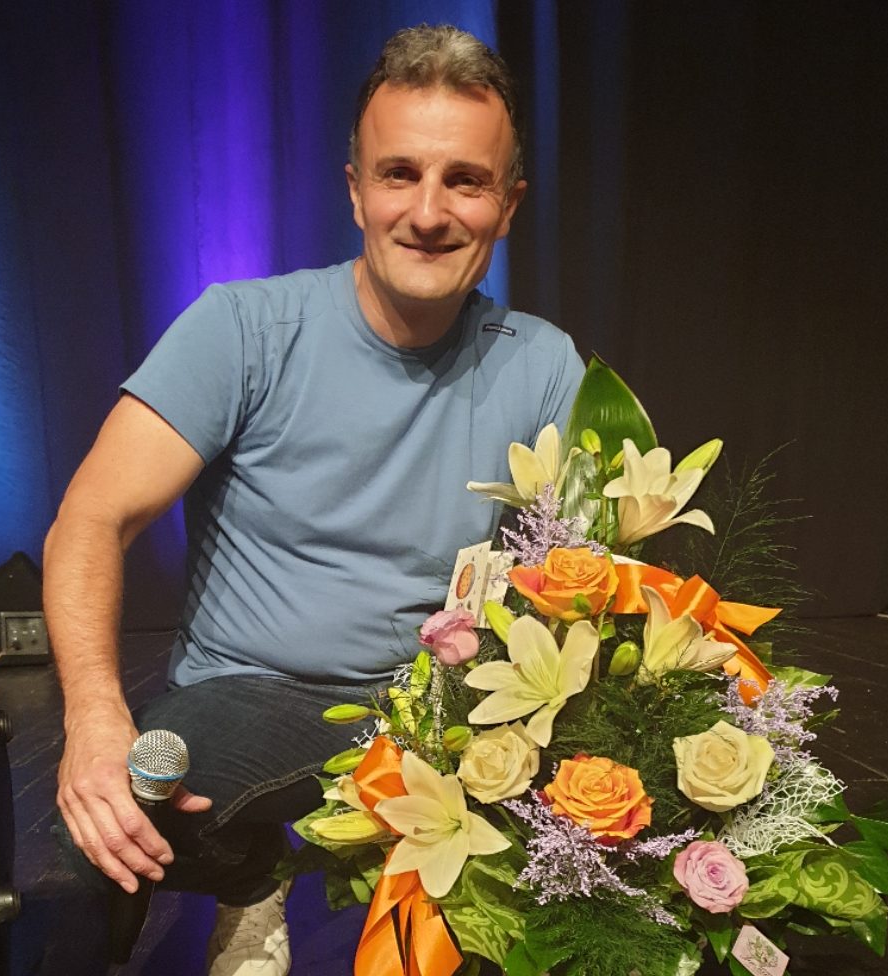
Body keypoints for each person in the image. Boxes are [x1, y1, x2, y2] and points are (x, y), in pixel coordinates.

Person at [44, 24, 585, 975]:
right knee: (103, 828)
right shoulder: (245, 328)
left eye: (465, 181)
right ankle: (247, 871)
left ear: (508, 206)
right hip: (253, 691)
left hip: (440, 706)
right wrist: (93, 718)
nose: (428, 212)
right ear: (355, 190)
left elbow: (588, 573)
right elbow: (92, 518)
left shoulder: (543, 365)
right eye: (398, 174)